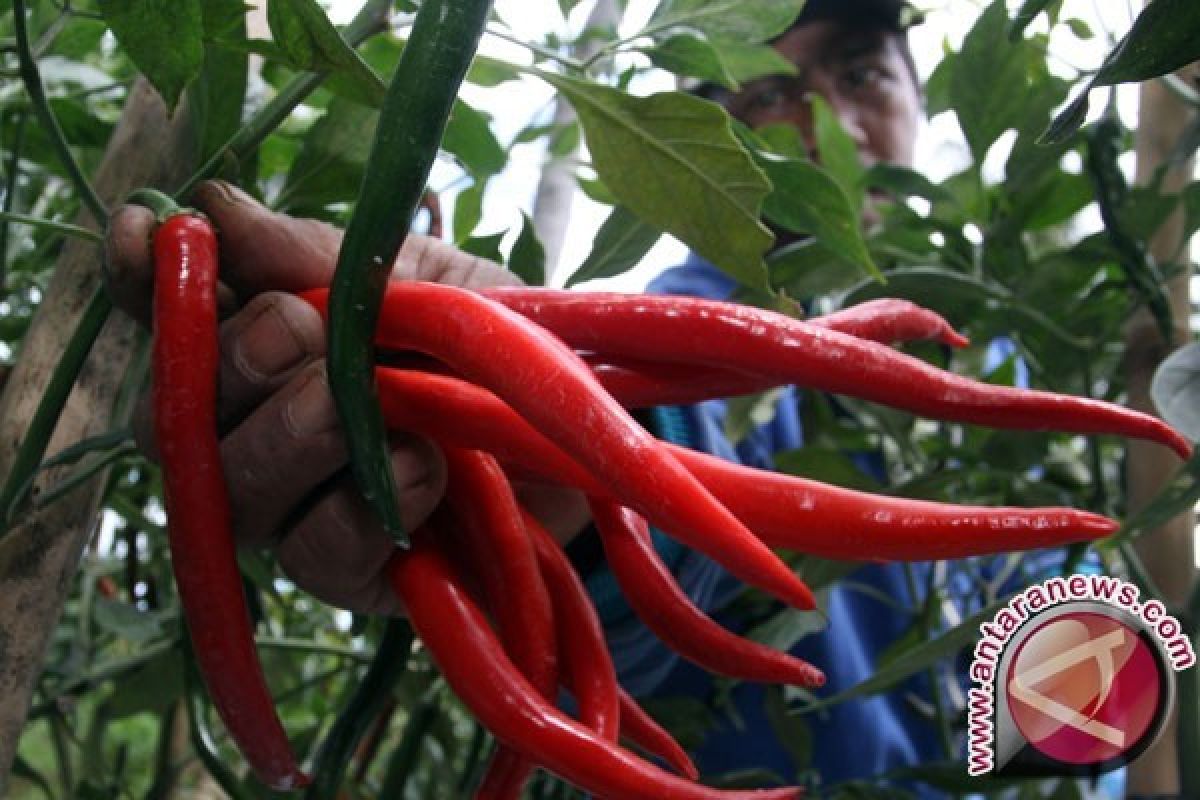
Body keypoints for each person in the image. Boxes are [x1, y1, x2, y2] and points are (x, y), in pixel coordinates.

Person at [102, 0, 1092, 795]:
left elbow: (1100, 676)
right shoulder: (676, 317)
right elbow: (658, 485)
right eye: (775, 90)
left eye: (863, 73)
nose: (822, 115)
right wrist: (576, 495)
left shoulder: (1005, 364)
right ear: (720, 152)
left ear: (921, 108)